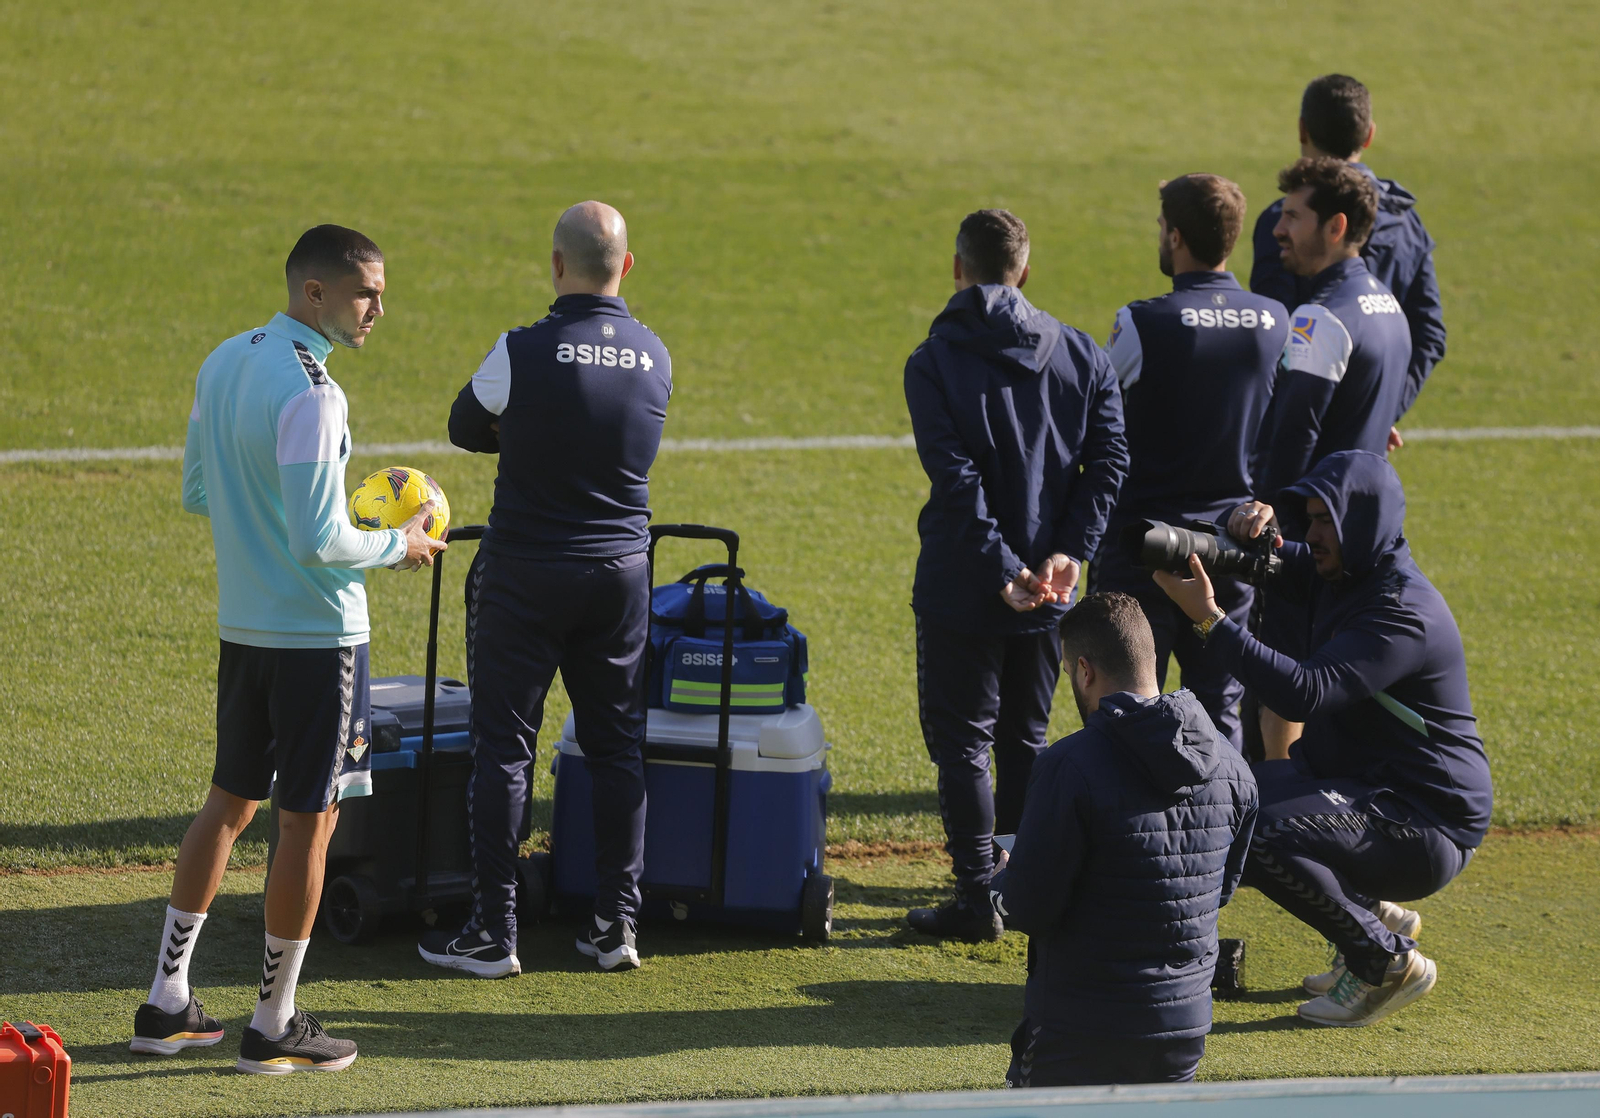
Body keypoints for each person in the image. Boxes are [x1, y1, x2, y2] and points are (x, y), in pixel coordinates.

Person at [133, 225, 444, 1074]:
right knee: (310, 824)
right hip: (321, 640)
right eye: (365, 293)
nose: (379, 308)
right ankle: (273, 1023)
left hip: (245, 630)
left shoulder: (226, 359)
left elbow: (200, 491)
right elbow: (319, 541)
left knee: (227, 805)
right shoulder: (315, 393)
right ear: (316, 293)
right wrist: (401, 545)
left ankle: (167, 1004)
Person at [1154, 450, 1492, 1027]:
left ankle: (1386, 961)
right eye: (1307, 520)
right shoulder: (1340, 568)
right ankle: (1370, 918)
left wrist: (1211, 621)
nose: (1310, 536)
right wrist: (1232, 526)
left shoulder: (1401, 611)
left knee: (1259, 831)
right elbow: (1258, 559)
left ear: (1365, 520)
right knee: (1226, 804)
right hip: (1362, 787)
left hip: (1425, 817)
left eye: (1324, 521)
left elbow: (1304, 693)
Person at [425, 201, 671, 976]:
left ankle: (495, 933)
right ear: (626, 267)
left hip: (527, 574)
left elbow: (465, 426)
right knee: (617, 749)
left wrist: (524, 426)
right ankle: (615, 928)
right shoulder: (656, 354)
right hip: (621, 576)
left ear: (556, 265)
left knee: (503, 752)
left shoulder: (520, 351)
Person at [902, 208, 1129, 942]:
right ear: (1024, 272)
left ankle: (977, 900)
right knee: (1024, 739)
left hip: (963, 583)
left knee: (963, 743)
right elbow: (1110, 464)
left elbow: (956, 477)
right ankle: (1018, 888)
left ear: (958, 268)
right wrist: (1068, 552)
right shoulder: (1085, 356)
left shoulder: (931, 362)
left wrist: (1002, 568)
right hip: (1051, 590)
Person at [988, 592, 1257, 1087]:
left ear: (1084, 671)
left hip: (1081, 1025)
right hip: (1183, 1028)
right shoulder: (1233, 766)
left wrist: (1005, 879)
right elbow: (1218, 890)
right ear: (1151, 660)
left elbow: (1029, 907)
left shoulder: (1068, 765)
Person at [1097, 173, 1289, 748]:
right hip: (1229, 550)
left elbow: (1101, 422)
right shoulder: (1274, 320)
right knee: (1219, 710)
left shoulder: (1142, 322)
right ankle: (1226, 832)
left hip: (1144, 551)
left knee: (1129, 706)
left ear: (1176, 236)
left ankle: (1133, 836)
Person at [1251, 155, 1414, 758]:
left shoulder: (1320, 318)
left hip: (1309, 540)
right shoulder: (1388, 307)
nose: (1278, 231)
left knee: (1280, 689)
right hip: (1367, 538)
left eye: (1293, 216)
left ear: (1336, 227)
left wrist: (1263, 512)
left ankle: (1273, 831)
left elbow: (1291, 437)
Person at [1250, 74, 1445, 420]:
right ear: (1369, 134)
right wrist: (1381, 410)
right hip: (1365, 438)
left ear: (1302, 130)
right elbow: (1428, 333)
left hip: (1298, 430)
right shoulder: (1406, 221)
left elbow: (1274, 334)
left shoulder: (1281, 221)